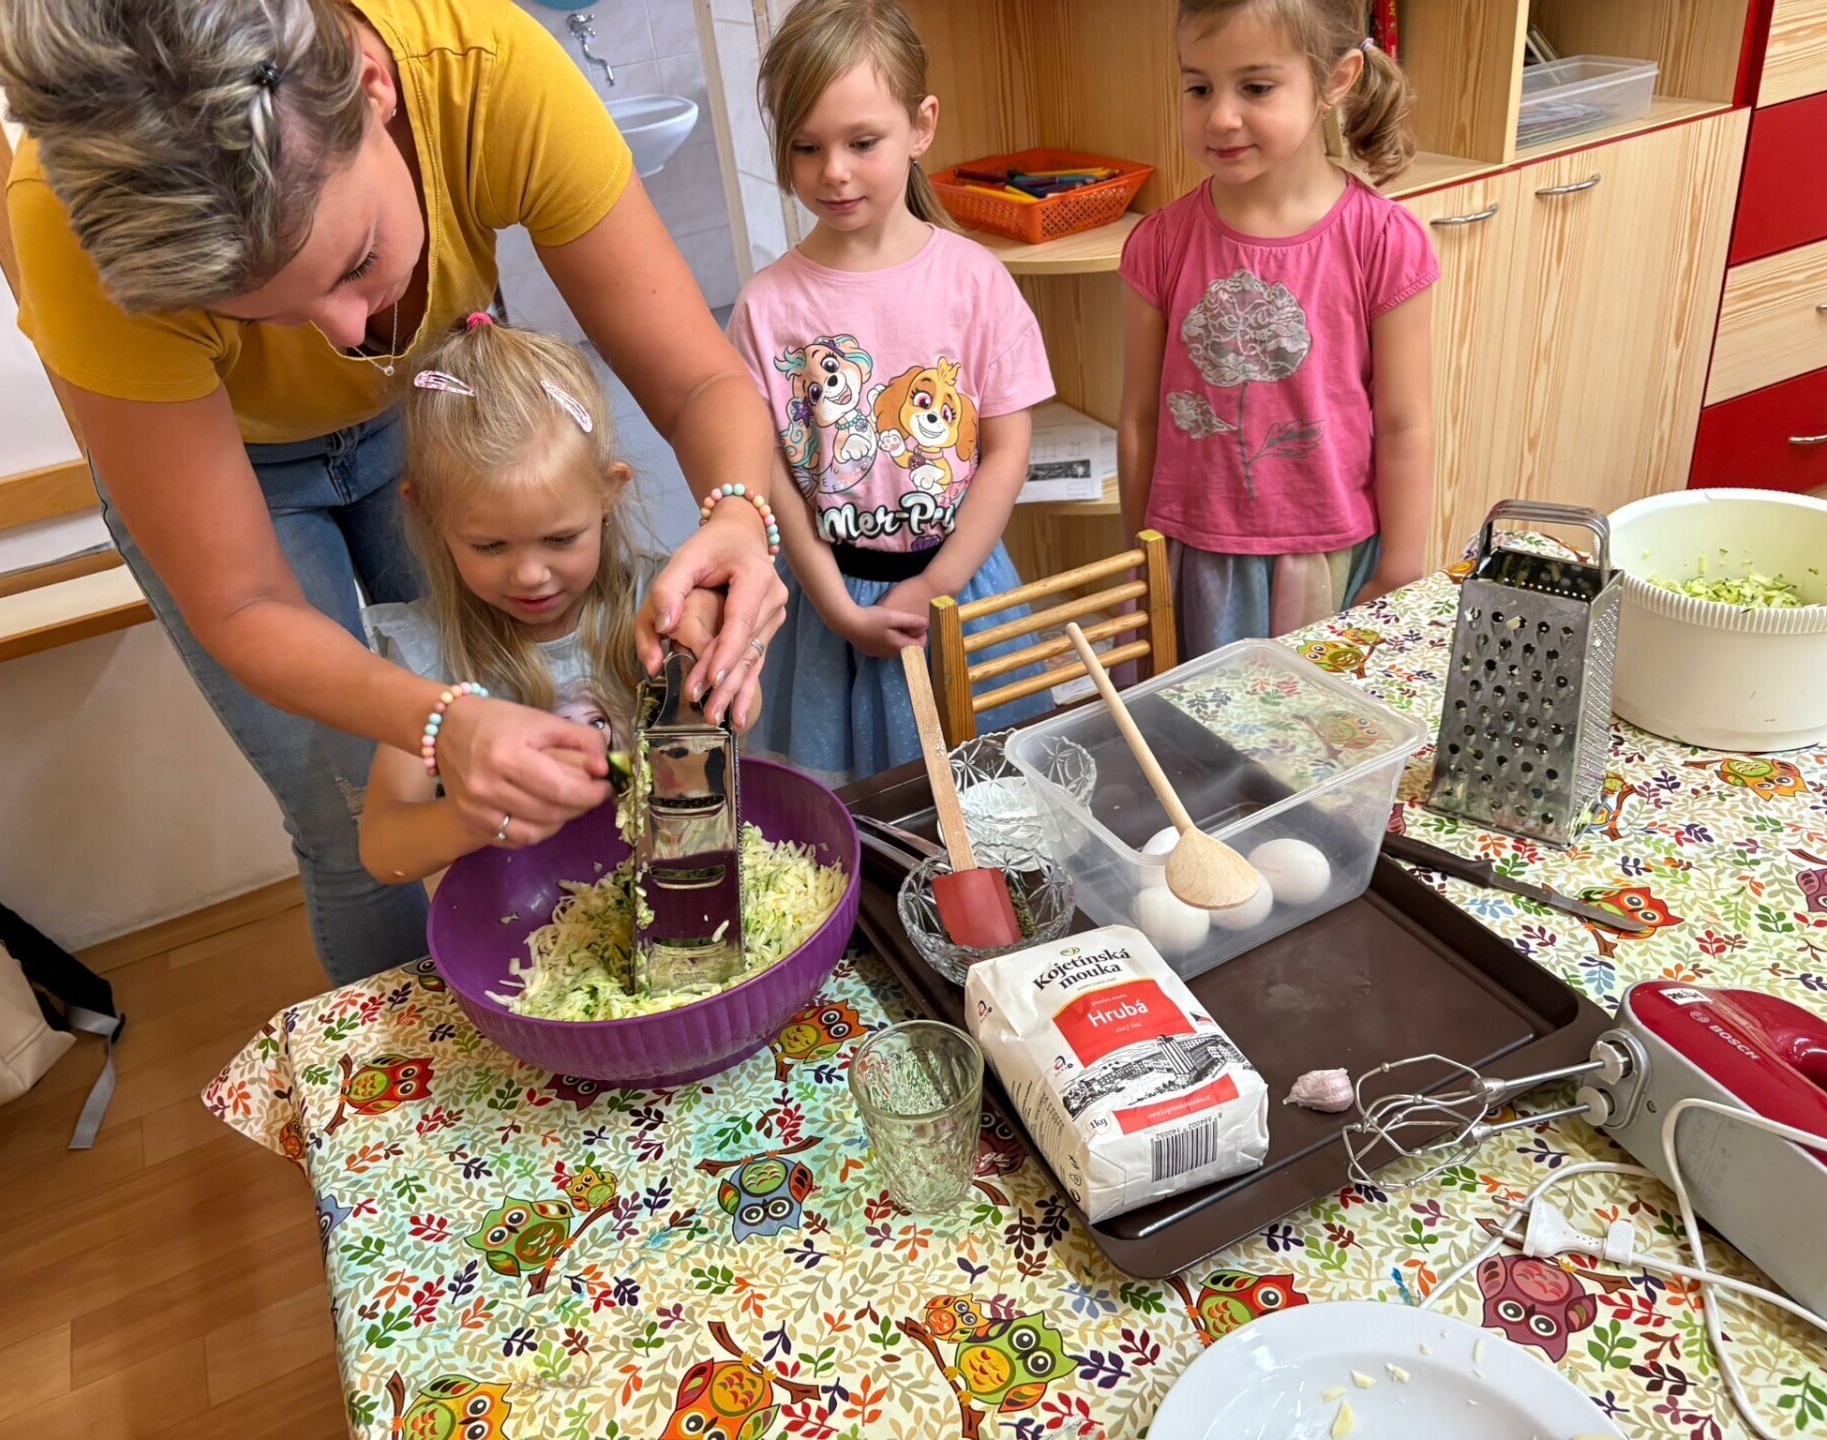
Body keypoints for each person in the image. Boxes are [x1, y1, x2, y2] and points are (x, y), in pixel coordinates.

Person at [0, 0, 787, 984]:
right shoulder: (76, 221)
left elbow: (700, 382)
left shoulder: (485, 67)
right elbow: (244, 603)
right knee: (343, 810)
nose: (346, 338)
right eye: (256, 316)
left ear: (374, 85)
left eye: (359, 261)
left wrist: (740, 517)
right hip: (239, 466)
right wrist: (440, 719)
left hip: (441, 421)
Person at [729, 0, 1059, 786]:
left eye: (861, 142)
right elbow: (771, 474)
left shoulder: (974, 280)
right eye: (806, 146)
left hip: (963, 588)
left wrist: (936, 584)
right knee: (859, 810)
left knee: (993, 790)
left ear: (921, 126)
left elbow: (1008, 450)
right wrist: (838, 607)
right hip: (825, 604)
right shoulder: (766, 307)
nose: (833, 172)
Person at [1117, 0, 1437, 661]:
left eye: (1256, 88)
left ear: (1335, 80)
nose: (1220, 117)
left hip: (1328, 561)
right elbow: (1140, 417)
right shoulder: (1158, 244)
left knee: (1315, 723)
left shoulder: (1384, 240)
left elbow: (1403, 421)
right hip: (1193, 558)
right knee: (1196, 722)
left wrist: (1399, 569)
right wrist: (1139, 558)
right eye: (1199, 88)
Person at [358, 315, 730, 880]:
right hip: (527, 908)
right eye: (489, 546)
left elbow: (736, 724)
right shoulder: (429, 657)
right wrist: (472, 815)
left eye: (560, 539)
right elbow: (382, 848)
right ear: (429, 514)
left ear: (609, 494)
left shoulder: (659, 603)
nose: (530, 576)